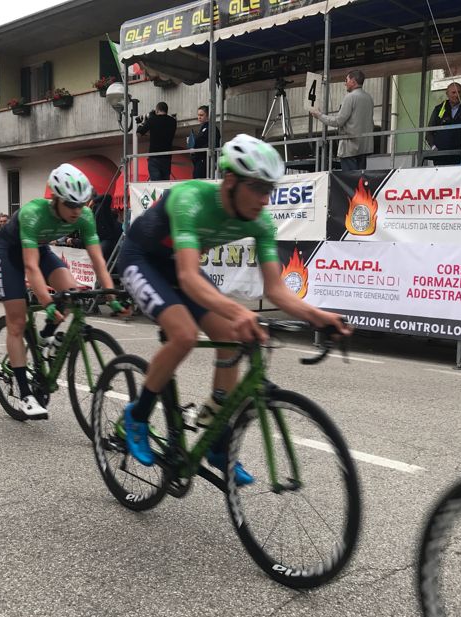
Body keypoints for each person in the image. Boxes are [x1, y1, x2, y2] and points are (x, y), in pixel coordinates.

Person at [118, 134, 350, 483]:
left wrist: (319, 317)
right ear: (230, 181)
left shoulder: (261, 223)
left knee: (228, 336)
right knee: (182, 334)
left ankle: (215, 436)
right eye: (257, 187)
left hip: (181, 266)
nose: (264, 198)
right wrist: (241, 312)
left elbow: (277, 290)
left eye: (269, 188)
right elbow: (187, 275)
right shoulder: (190, 199)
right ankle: (137, 415)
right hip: (142, 258)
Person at [0, 163, 119, 418]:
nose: (77, 211)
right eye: (71, 205)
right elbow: (30, 266)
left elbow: (97, 259)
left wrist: (111, 292)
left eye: (82, 204)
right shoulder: (33, 213)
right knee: (17, 322)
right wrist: (46, 301)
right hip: (12, 254)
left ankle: (46, 335)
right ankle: (25, 392)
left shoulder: (84, 216)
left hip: (40, 250)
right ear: (57, 200)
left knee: (72, 292)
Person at [308, 69, 375, 172]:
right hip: (364, 148)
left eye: (346, 80)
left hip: (350, 148)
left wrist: (319, 115)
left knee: (349, 181)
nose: (345, 83)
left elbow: (338, 121)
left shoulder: (350, 97)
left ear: (353, 81)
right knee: (359, 180)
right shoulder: (368, 98)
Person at [426, 82, 461, 165]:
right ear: (447, 94)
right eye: (453, 92)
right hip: (441, 156)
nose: (456, 95)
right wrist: (434, 148)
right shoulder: (439, 109)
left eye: (459, 92)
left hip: (460, 156)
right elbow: (429, 131)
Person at [137, 101, 178, 181]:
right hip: (167, 156)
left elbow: (139, 133)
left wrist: (143, 122)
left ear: (157, 110)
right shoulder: (173, 121)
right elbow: (162, 132)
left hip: (154, 156)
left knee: (156, 183)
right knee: (165, 182)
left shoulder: (152, 120)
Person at [188, 105, 221, 179]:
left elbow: (213, 144)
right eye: (198, 115)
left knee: (200, 181)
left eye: (201, 115)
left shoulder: (211, 128)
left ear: (207, 116)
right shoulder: (203, 128)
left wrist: (196, 150)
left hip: (205, 161)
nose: (199, 117)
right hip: (200, 160)